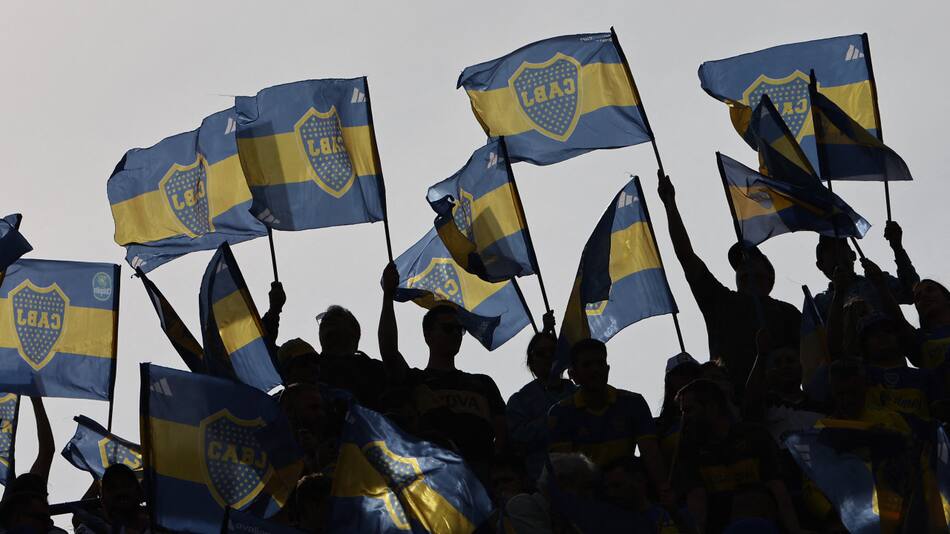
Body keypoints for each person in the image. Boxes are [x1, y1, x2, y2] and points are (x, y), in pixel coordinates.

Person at [657, 170, 801, 394]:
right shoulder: (720, 300)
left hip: (779, 405)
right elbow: (687, 256)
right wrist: (670, 206)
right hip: (729, 405)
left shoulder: (788, 313)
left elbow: (811, 357)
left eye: (752, 261)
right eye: (740, 266)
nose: (745, 268)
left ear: (769, 276)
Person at [379, 262, 508, 475]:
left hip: (480, 476)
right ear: (428, 335)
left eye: (460, 329)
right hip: (435, 478)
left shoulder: (483, 383)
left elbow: (502, 434)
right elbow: (389, 352)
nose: (456, 334)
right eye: (448, 328)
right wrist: (387, 297)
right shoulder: (415, 381)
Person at [547, 339, 671, 506]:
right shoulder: (561, 413)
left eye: (600, 363)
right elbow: (565, 472)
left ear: (607, 369)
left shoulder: (633, 403)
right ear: (573, 375)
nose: (595, 369)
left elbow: (650, 453)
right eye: (587, 365)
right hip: (588, 498)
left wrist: (663, 490)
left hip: (629, 493)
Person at [673, 379, 803, 534]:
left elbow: (777, 488)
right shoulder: (689, 448)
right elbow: (696, 499)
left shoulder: (755, 436)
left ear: (712, 407)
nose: (683, 419)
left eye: (688, 410)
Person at [507, 312, 577, 481]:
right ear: (531, 361)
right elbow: (517, 440)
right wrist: (552, 419)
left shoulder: (577, 393)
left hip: (581, 476)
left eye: (553, 352)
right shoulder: (520, 400)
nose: (548, 357)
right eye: (540, 353)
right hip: (541, 479)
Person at [811, 221, 918, 320]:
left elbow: (913, 292)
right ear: (820, 265)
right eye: (830, 250)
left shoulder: (876, 281)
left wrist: (897, 247)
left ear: (853, 255)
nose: (838, 253)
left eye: (842, 246)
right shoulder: (818, 304)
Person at [314, 305, 387, 411]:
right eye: (323, 324)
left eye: (332, 321)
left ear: (354, 332)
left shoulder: (374, 370)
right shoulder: (309, 365)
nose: (325, 325)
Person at [602, 457, 679, 533]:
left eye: (617, 486)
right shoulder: (608, 521)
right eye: (608, 488)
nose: (611, 493)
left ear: (639, 480)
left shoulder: (663, 518)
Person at [655, 353, 701, 471]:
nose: (689, 379)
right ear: (669, 382)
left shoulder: (714, 415)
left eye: (694, 374)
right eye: (682, 374)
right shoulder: (658, 427)